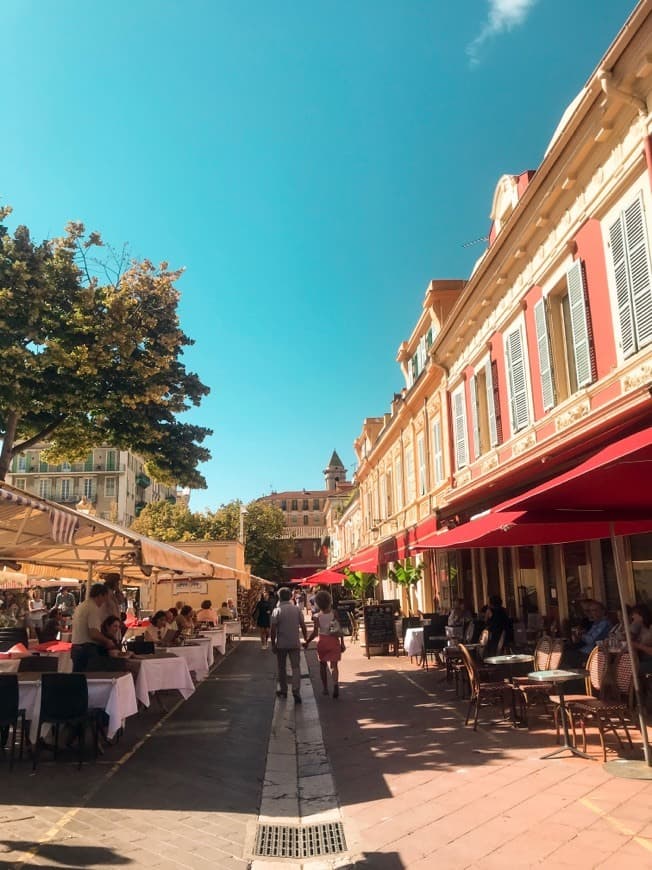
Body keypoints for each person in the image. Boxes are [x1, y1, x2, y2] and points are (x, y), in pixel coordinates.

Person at [304, 590, 346, 698]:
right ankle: (335, 684)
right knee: (334, 665)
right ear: (329, 601)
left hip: (322, 641)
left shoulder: (317, 616)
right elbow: (338, 628)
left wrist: (307, 642)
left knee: (322, 665)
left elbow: (314, 632)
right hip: (333, 640)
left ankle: (325, 688)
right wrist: (342, 643)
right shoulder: (334, 613)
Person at [271, 587, 308, 703]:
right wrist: (306, 639)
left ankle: (283, 690)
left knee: (281, 668)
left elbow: (273, 629)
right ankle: (296, 691)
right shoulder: (296, 609)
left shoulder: (277, 610)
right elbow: (303, 625)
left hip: (282, 643)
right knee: (296, 667)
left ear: (279, 597)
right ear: (291, 597)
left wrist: (273, 643)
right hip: (294, 642)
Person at [71, 583, 114, 670]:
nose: (105, 601)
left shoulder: (82, 606)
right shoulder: (92, 608)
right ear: (100, 595)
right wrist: (107, 641)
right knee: (90, 678)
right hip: (87, 649)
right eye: (105, 597)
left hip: (76, 648)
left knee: (79, 678)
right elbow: (93, 633)